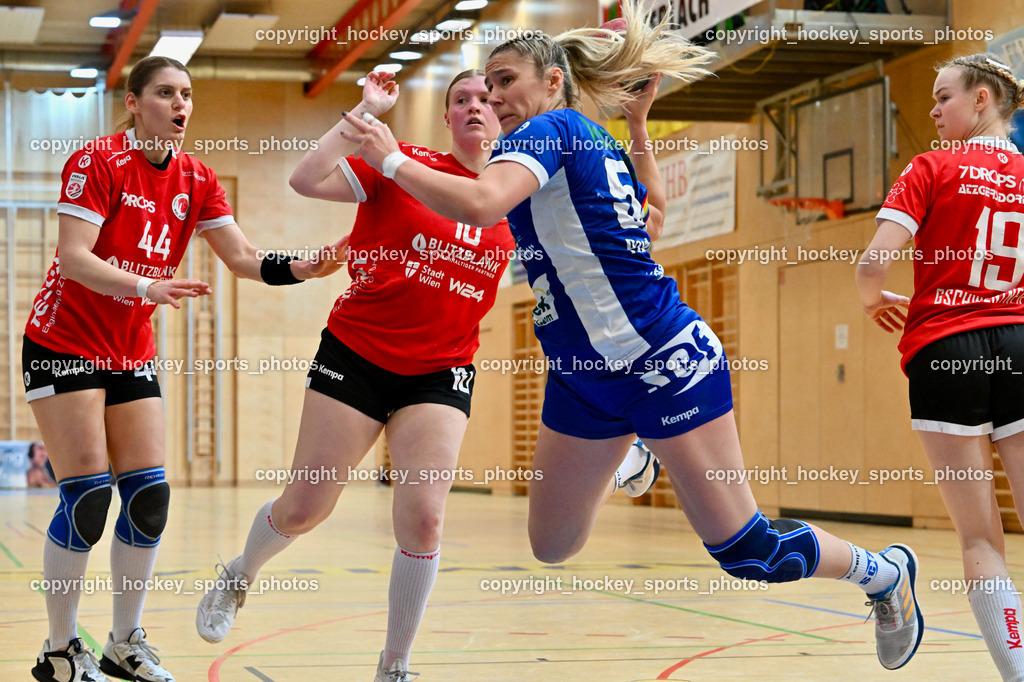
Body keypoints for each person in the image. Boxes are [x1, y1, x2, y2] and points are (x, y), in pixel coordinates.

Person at [343, 0, 924, 673]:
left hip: (662, 361)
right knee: (551, 545)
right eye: (486, 85)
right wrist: (640, 124)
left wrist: (389, 159)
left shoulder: (551, 131)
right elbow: (656, 215)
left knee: (749, 551)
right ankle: (632, 450)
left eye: (505, 81)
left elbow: (478, 205)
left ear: (552, 83)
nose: (494, 96)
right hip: (584, 379)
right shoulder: (582, 142)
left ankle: (883, 574)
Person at [193, 68, 658, 682]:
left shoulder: (520, 193)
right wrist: (361, 114)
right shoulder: (403, 162)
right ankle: (239, 576)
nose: (474, 106)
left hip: (441, 370)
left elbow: (642, 212)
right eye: (460, 99)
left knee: (424, 518)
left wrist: (637, 124)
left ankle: (395, 664)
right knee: (306, 507)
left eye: (485, 99)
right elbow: (304, 178)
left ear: (502, 116)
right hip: (356, 355)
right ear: (445, 118)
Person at [25, 55, 345, 682]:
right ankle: (60, 650)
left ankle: (124, 643)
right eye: (166, 92)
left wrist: (302, 266)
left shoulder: (197, 178)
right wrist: (146, 287)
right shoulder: (97, 162)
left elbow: (243, 256)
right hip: (63, 341)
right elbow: (73, 258)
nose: (181, 104)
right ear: (134, 103)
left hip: (128, 350)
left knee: (148, 497)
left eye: (188, 94)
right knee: (88, 499)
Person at [857, 53, 1024, 681]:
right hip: (1020, 342)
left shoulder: (930, 166)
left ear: (982, 99)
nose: (932, 110)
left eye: (943, 97)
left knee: (981, 538)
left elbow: (873, 265)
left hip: (945, 349)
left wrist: (875, 300)